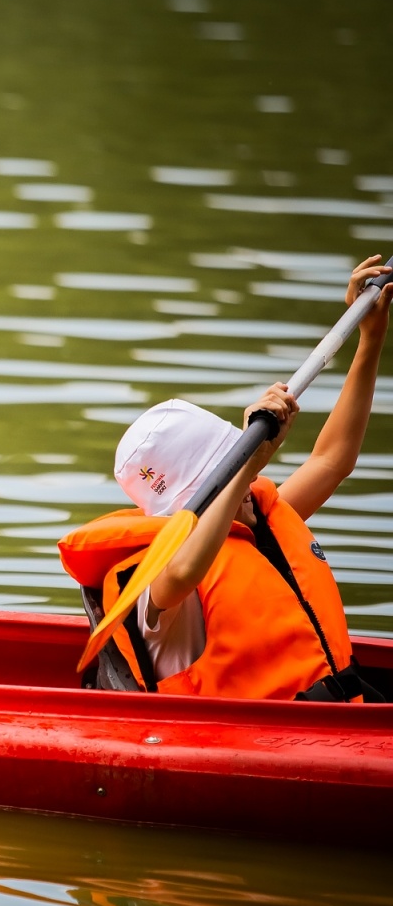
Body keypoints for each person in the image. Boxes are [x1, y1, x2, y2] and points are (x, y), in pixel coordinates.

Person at [59, 255, 392, 700]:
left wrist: (370, 337)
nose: (251, 483)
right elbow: (185, 567)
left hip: (338, 714)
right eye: (227, 471)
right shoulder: (157, 587)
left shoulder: (257, 518)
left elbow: (332, 460)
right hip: (253, 741)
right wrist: (246, 466)